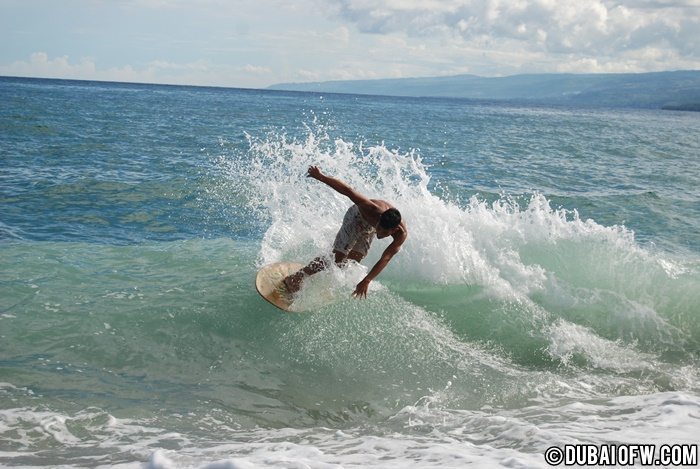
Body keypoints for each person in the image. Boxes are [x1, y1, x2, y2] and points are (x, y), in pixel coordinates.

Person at [283, 165, 407, 298]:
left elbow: (386, 257)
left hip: (369, 226)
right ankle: (297, 277)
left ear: (394, 230)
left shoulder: (401, 234)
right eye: (379, 228)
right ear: (380, 219)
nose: (379, 234)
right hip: (356, 217)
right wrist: (320, 176)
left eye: (384, 232)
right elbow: (347, 190)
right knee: (337, 258)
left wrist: (367, 280)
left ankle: (319, 272)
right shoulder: (370, 208)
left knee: (353, 261)